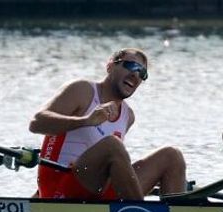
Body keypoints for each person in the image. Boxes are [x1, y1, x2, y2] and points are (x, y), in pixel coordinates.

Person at [30, 48, 186, 200]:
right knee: (112, 146)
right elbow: (37, 123)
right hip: (59, 188)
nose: (135, 74)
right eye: (131, 66)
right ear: (110, 65)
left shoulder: (128, 116)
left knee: (172, 155)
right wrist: (86, 120)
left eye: (142, 73)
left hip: (97, 190)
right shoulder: (82, 90)